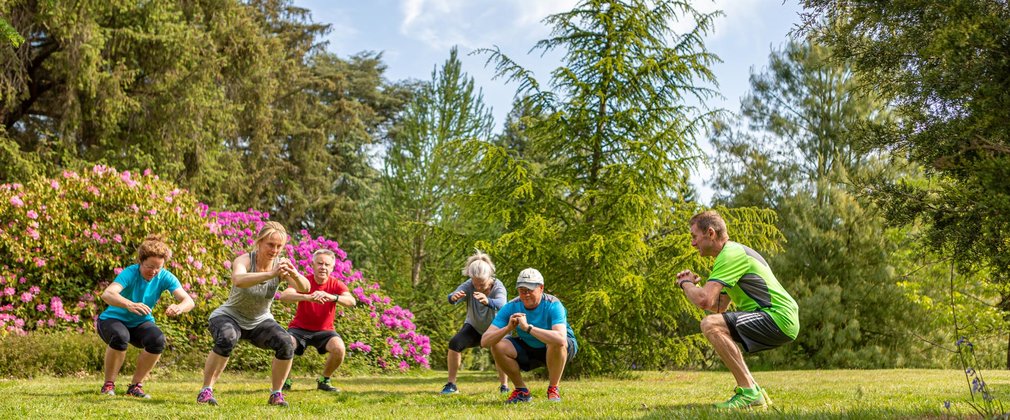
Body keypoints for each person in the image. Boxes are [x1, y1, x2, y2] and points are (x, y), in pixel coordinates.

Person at [676, 210, 800, 409]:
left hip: (778, 316)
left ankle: (749, 392)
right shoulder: (729, 256)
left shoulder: (730, 254)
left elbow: (705, 301)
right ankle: (755, 391)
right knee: (714, 324)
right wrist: (694, 288)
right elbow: (718, 307)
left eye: (694, 236)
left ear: (710, 233)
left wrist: (686, 284)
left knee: (710, 325)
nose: (692, 243)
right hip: (780, 317)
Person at [196, 221, 310, 407]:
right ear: (259, 242)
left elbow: (304, 288)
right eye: (270, 244)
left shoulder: (281, 265)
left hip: (260, 321)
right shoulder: (245, 260)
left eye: (279, 246)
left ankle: (276, 394)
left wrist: (294, 274)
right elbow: (238, 280)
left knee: (287, 343)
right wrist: (271, 274)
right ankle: (206, 391)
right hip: (229, 315)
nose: (274, 250)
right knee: (227, 338)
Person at [97, 235, 195, 398]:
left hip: (140, 322)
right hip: (111, 320)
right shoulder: (130, 273)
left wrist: (179, 307)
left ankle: (135, 386)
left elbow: (188, 301)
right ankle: (108, 385)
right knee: (120, 336)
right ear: (140, 262)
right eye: (150, 266)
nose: (154, 272)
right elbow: (107, 294)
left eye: (159, 267)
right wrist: (129, 304)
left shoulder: (164, 276)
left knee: (157, 340)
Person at [481, 268, 577, 404]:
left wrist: (528, 328)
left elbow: (561, 338)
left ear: (541, 288)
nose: (525, 295)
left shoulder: (553, 304)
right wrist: (508, 328)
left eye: (530, 290)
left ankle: (553, 389)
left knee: (555, 342)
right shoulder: (511, 306)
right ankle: (522, 391)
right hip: (529, 346)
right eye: (522, 290)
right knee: (498, 345)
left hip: (561, 348)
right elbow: (485, 341)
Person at [278, 248, 356, 392]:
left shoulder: (336, 284)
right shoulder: (303, 281)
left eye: (327, 265)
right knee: (285, 344)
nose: (323, 267)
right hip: (299, 329)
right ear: (312, 265)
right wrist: (307, 296)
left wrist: (333, 297)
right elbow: (284, 296)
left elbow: (352, 301)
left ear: (332, 268)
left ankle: (324, 380)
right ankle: (286, 381)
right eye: (320, 263)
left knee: (339, 348)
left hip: (325, 331)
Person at [440, 250, 508, 395]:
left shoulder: (498, 286)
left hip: (495, 328)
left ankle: (504, 386)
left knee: (500, 351)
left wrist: (488, 301)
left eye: (481, 284)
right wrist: (453, 297)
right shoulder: (469, 284)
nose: (477, 287)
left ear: (489, 277)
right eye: (475, 283)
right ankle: (451, 385)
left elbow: (503, 304)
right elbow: (453, 297)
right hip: (474, 327)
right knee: (454, 344)